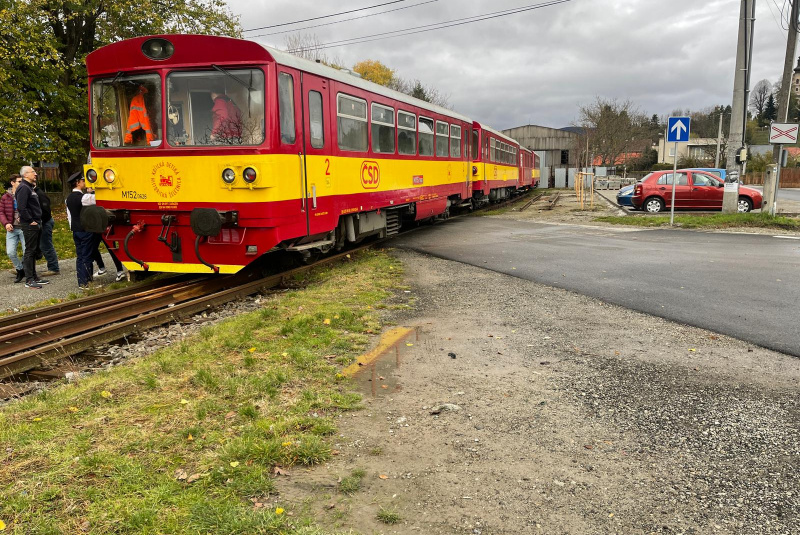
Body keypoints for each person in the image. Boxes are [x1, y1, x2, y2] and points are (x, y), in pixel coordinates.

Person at [82, 186, 125, 282]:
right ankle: (103, 267)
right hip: (97, 227)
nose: (88, 188)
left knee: (111, 249)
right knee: (94, 249)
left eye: (90, 187)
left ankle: (119, 270)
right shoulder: (88, 197)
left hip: (104, 227)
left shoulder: (98, 195)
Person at [15, 166, 49, 289]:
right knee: (29, 251)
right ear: (25, 175)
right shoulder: (24, 188)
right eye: (32, 172)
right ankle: (29, 280)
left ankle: (34, 277)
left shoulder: (30, 187)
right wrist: (30, 220)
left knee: (34, 250)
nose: (35, 174)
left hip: (36, 222)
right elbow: (21, 207)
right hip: (30, 224)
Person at [65, 172, 94, 290]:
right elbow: (96, 200)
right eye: (82, 181)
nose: (84, 182)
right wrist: (92, 192)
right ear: (77, 183)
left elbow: (70, 216)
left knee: (80, 255)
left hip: (75, 229)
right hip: (85, 229)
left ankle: (81, 281)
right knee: (87, 256)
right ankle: (86, 282)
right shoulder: (83, 197)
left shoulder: (68, 198)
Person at [1, 174, 26, 283]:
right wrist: (6, 223)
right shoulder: (5, 197)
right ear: (12, 183)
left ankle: (28, 270)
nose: (21, 183)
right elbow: (1, 212)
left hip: (24, 228)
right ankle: (20, 269)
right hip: (11, 229)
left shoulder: (25, 194)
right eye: (19, 181)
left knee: (27, 252)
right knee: (10, 252)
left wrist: (24, 217)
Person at [34, 179, 60, 276]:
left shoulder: (39, 194)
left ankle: (54, 268)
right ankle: (23, 267)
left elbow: (46, 211)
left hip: (45, 223)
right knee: (32, 246)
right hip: (40, 223)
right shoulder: (35, 193)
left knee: (46, 245)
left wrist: (39, 222)